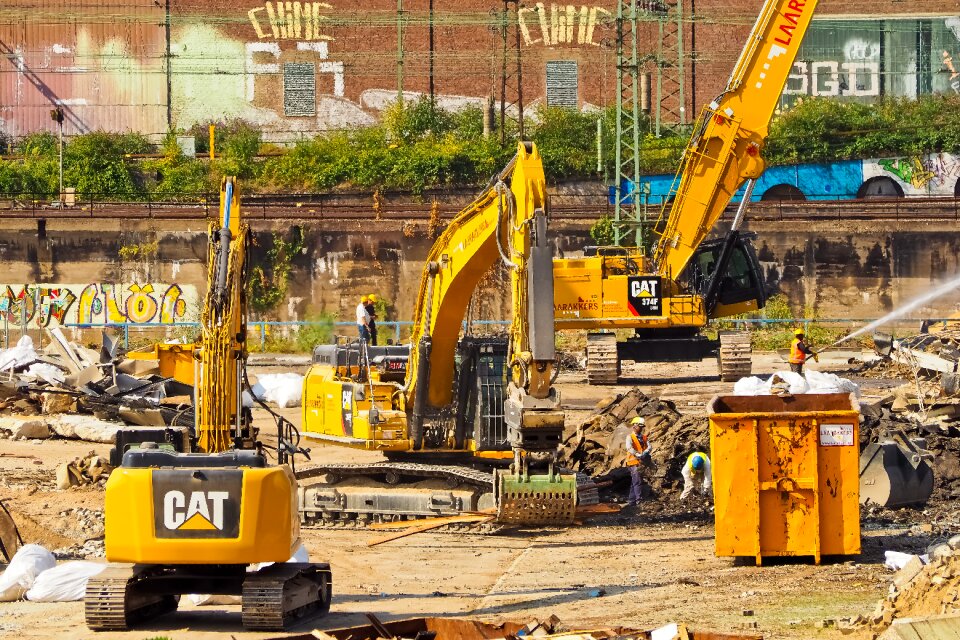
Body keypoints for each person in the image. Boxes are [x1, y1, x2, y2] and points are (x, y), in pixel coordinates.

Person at [624, 416, 652, 507]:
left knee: (634, 482)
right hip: (633, 462)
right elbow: (629, 448)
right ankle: (639, 501)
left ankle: (632, 501)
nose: (641, 428)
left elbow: (649, 446)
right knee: (638, 481)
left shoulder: (643, 437)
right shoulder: (630, 437)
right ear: (635, 426)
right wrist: (637, 454)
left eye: (642, 427)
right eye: (640, 426)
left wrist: (645, 452)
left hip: (641, 462)